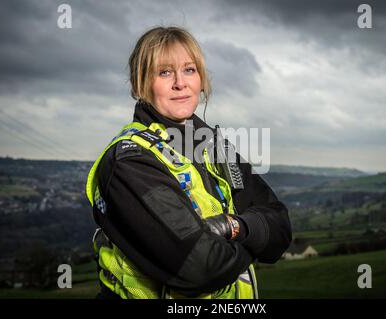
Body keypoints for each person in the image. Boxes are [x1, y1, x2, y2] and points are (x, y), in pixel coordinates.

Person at [86, 26, 292, 299]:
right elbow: (201, 267)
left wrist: (235, 226)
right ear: (140, 85)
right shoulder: (129, 162)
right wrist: (254, 239)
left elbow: (280, 226)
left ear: (201, 80)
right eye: (164, 72)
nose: (180, 83)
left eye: (189, 70)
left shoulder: (214, 147)